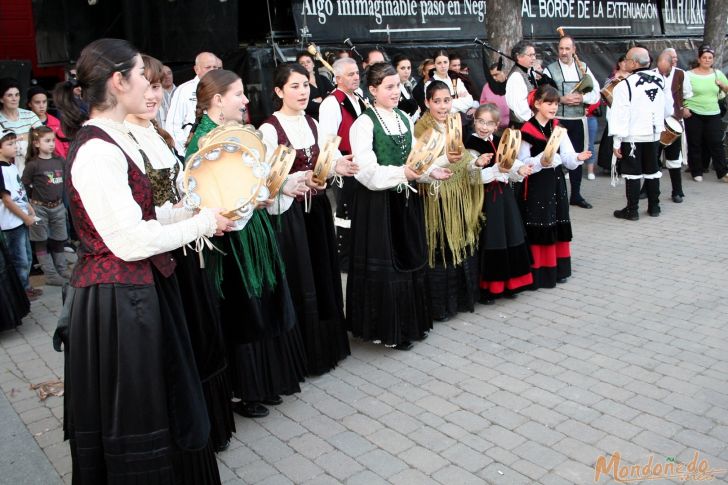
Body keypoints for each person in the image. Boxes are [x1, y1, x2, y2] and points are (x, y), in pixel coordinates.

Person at [58, 38, 232, 485]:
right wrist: (201, 225)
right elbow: (131, 241)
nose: (152, 86)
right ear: (119, 82)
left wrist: (195, 213)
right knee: (142, 413)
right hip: (121, 303)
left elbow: (145, 216)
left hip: (146, 290)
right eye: (141, 75)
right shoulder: (97, 149)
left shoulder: (119, 137)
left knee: (171, 398)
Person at [124, 54, 236, 453]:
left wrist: (202, 213)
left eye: (158, 86)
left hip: (186, 249)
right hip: (157, 260)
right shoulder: (123, 142)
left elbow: (179, 196)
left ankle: (211, 426)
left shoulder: (159, 136)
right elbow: (141, 219)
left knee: (202, 336)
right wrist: (196, 219)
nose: (154, 94)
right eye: (147, 85)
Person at [185, 69, 306, 419]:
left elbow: (258, 179)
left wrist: (272, 190)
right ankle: (246, 390)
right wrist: (252, 200)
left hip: (253, 232)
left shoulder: (237, 134)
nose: (245, 100)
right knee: (243, 308)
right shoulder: (203, 143)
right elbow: (209, 197)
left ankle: (267, 382)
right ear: (217, 100)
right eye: (238, 94)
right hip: (232, 240)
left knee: (262, 300)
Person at [260, 62, 359, 375]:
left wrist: (335, 168)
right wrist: (299, 179)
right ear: (278, 91)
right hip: (289, 216)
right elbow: (266, 179)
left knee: (322, 273)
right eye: (294, 86)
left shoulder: (313, 122)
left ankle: (327, 348)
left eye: (305, 85)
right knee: (301, 278)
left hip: (315, 211)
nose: (302, 92)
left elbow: (322, 167)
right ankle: (304, 355)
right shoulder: (268, 129)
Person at [348, 63, 451, 350]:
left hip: (406, 199)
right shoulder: (364, 124)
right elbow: (365, 172)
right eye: (389, 87)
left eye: (398, 86)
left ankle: (410, 323)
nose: (396, 92)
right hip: (378, 204)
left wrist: (431, 173)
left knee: (411, 256)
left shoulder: (405, 118)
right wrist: (401, 174)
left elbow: (415, 162)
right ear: (372, 90)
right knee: (388, 265)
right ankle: (387, 330)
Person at [415, 81, 483, 321]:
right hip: (436, 197)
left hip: (458, 194)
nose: (443, 106)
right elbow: (420, 165)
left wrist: (475, 163)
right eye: (437, 101)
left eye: (447, 100)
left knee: (462, 243)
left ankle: (462, 300)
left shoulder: (455, 123)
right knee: (441, 247)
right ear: (427, 102)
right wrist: (446, 160)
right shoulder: (421, 129)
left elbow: (462, 157)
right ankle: (441, 307)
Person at [517, 85, 591, 288]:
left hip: (556, 182)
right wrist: (542, 161)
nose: (553, 107)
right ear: (537, 104)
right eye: (549, 103)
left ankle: (559, 269)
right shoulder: (526, 130)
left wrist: (577, 157)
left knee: (557, 217)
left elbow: (566, 156)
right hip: (537, 184)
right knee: (541, 221)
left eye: (556, 103)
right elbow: (523, 161)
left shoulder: (557, 127)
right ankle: (541, 272)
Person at [464, 104, 533, 302]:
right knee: (492, 238)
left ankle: (510, 282)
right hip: (485, 199)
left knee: (509, 234)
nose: (484, 127)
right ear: (474, 121)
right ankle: (489, 287)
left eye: (489, 123)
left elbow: (509, 162)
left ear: (496, 126)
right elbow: (472, 177)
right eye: (480, 121)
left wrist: (518, 171)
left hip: (503, 197)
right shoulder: (470, 145)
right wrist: (493, 170)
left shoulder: (499, 140)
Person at [611, 46, 673, 220]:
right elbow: (668, 108)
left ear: (634, 62)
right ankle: (654, 207)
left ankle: (632, 210)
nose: (625, 63)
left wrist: (617, 142)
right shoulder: (661, 80)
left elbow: (620, 116)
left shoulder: (624, 86)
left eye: (628, 60)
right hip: (654, 135)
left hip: (632, 136)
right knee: (652, 170)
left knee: (632, 173)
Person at [318, 57, 367, 271]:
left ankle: (360, 254)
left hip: (363, 165)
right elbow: (327, 140)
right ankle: (345, 260)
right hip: (345, 167)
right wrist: (340, 162)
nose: (356, 77)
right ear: (337, 78)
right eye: (350, 74)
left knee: (360, 212)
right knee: (346, 213)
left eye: (357, 73)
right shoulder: (331, 103)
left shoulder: (358, 98)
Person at [543, 35, 600, 209]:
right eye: (561, 48)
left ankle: (575, 195)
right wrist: (561, 99)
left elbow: (596, 93)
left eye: (567, 48)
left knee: (578, 156)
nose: (564, 52)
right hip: (557, 121)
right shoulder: (549, 70)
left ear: (574, 50)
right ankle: (555, 196)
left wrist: (582, 97)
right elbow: (543, 96)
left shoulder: (583, 68)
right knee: (553, 157)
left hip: (578, 120)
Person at [21, 126, 71, 286]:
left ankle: (62, 270)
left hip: (57, 206)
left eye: (53, 141)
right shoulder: (33, 165)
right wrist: (29, 207)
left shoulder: (59, 161)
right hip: (39, 208)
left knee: (59, 239)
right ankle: (50, 274)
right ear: (36, 143)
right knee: (41, 240)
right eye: (47, 141)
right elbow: (23, 186)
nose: (51, 144)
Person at [1, 128, 42, 301]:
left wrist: (28, 207)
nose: (15, 146)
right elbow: (7, 200)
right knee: (19, 259)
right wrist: (25, 217)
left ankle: (26, 286)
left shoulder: (11, 166)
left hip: (21, 219)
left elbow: (19, 191)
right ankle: (21, 292)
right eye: (10, 144)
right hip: (11, 222)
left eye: (15, 142)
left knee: (26, 256)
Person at [683, 44, 728, 183]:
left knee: (716, 143)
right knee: (695, 142)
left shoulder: (717, 74)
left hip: (713, 112)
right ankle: (697, 171)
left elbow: (727, 89)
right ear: (699, 59)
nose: (707, 60)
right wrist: (684, 108)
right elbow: (680, 93)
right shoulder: (688, 75)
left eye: (710, 58)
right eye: (704, 57)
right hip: (693, 112)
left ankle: (723, 172)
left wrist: (722, 85)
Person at [652, 49, 692, 203]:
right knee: (653, 157)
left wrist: (684, 108)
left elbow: (687, 95)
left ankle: (677, 190)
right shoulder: (651, 74)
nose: (674, 60)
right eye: (671, 58)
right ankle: (648, 190)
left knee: (674, 158)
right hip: (655, 122)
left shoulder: (681, 74)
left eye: (675, 57)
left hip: (674, 121)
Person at [165, 51, 219, 157]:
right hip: (192, 151)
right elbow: (172, 125)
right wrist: (185, 151)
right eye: (208, 67)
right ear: (196, 69)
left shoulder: (224, 89)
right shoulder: (184, 90)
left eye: (215, 67)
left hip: (218, 151)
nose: (212, 71)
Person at [0, 78, 43, 175]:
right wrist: (30, 135)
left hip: (32, 166)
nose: (14, 98)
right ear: (1, 99)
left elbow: (43, 135)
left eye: (17, 95)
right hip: (7, 168)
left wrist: (16, 138)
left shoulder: (29, 115)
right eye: (10, 95)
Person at [597, 55, 631, 173]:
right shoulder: (612, 77)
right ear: (619, 63)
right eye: (623, 62)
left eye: (628, 61)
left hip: (628, 111)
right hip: (613, 110)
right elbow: (605, 94)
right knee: (611, 136)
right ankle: (609, 165)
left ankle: (624, 165)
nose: (625, 64)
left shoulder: (633, 77)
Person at [26, 86, 70, 158]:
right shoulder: (25, 123)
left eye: (44, 102)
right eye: (37, 102)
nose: (42, 106)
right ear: (29, 104)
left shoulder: (56, 122)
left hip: (58, 163)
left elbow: (66, 146)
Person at [505, 40, 539, 128]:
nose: (534, 58)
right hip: (521, 126)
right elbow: (520, 108)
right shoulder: (516, 76)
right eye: (530, 55)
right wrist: (535, 122)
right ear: (519, 56)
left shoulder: (528, 72)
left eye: (534, 55)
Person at [296, 51, 334, 120]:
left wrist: (320, 99)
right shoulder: (298, 84)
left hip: (330, 118)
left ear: (313, 64)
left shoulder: (323, 78)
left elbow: (334, 94)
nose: (306, 64)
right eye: (302, 63)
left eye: (308, 62)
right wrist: (326, 98)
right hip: (311, 120)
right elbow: (307, 106)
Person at [480, 62, 510, 130]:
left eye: (496, 74)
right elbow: (482, 104)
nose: (493, 78)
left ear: (504, 72)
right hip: (492, 128)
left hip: (511, 127)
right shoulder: (486, 87)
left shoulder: (512, 85)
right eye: (492, 76)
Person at [392, 54, 419, 118]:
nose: (406, 71)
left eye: (408, 68)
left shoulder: (408, 86)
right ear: (395, 69)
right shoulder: (393, 89)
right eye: (403, 68)